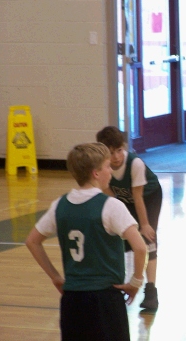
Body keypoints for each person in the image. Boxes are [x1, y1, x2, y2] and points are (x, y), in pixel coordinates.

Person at [26, 142, 147, 341]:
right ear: (96, 173)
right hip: (105, 299)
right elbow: (140, 248)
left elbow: (32, 241)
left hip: (72, 300)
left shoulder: (60, 205)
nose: (111, 170)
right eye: (108, 166)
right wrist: (135, 282)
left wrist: (56, 277)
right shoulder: (111, 206)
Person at [96, 126, 163, 311]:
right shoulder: (103, 167)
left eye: (119, 150)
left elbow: (138, 197)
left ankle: (151, 292)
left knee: (148, 240)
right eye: (111, 153)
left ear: (124, 146)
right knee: (118, 239)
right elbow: (111, 196)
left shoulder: (135, 164)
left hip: (149, 197)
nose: (116, 156)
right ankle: (115, 285)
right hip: (125, 200)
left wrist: (145, 225)